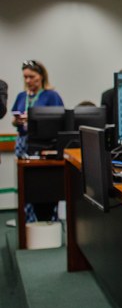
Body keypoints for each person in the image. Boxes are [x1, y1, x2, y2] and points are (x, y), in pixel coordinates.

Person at [12, 60, 65, 222]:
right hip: (23, 144)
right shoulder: (21, 96)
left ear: (41, 76)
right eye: (25, 77)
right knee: (25, 187)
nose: (28, 81)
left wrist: (35, 119)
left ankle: (47, 220)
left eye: (31, 77)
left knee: (43, 188)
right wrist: (17, 121)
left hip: (42, 146)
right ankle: (27, 222)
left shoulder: (51, 96)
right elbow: (14, 121)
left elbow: (59, 120)